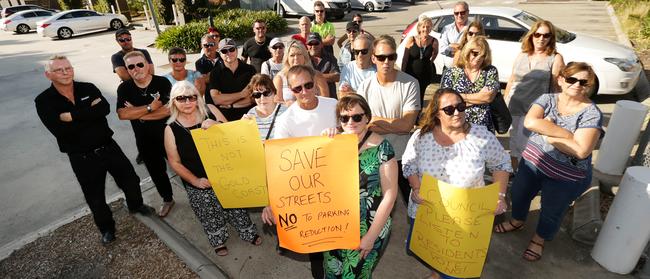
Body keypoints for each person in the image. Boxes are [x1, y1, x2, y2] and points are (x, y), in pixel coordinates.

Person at [35, 55, 154, 245]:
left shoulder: (88, 88)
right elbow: (59, 130)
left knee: (131, 180)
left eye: (68, 68)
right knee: (95, 197)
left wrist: (72, 116)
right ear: (48, 75)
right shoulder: (43, 101)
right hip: (82, 157)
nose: (65, 72)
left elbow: (104, 109)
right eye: (59, 70)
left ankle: (136, 205)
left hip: (108, 147)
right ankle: (107, 228)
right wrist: (90, 114)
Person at [495, 62, 602, 262]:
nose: (577, 85)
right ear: (561, 80)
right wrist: (569, 135)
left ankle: (539, 238)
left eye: (583, 82)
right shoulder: (546, 99)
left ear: (589, 85)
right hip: (532, 164)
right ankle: (517, 221)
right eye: (571, 79)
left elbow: (581, 151)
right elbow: (530, 122)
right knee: (518, 194)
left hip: (566, 176)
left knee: (552, 210)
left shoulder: (592, 113)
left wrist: (549, 135)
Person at [402, 88, 511, 279]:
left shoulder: (481, 136)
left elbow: (501, 163)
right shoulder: (421, 137)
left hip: (465, 218)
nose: (457, 112)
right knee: (431, 251)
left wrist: (500, 196)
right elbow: (409, 164)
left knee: (457, 268)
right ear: (436, 113)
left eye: (461, 106)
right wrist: (416, 187)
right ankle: (436, 273)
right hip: (427, 213)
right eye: (449, 109)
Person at [163, 81, 262, 257]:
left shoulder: (210, 110)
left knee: (237, 207)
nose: (187, 102)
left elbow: (233, 133)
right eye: (181, 98)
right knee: (209, 214)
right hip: (200, 182)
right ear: (173, 102)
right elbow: (175, 162)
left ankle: (247, 231)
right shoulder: (171, 129)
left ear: (197, 98)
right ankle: (218, 239)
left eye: (191, 97)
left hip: (226, 175)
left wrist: (216, 125)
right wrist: (195, 181)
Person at [264, 65, 338, 279]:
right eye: (297, 89)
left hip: (336, 186)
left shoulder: (333, 105)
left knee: (338, 237)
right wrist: (272, 201)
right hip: (307, 192)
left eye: (308, 85)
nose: (304, 92)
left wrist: (339, 133)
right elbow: (278, 164)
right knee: (316, 246)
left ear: (315, 82)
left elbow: (353, 134)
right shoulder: (285, 121)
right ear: (290, 90)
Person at [321, 94, 398, 279]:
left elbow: (390, 195)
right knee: (332, 271)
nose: (351, 122)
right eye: (344, 118)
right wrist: (323, 141)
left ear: (367, 117)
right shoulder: (332, 142)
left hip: (370, 223)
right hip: (335, 223)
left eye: (356, 117)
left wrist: (371, 236)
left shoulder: (382, 148)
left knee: (354, 275)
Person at [357, 35, 420, 205]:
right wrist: (395, 124)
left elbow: (407, 125)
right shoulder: (364, 87)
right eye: (381, 57)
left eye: (391, 56)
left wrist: (375, 121)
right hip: (372, 157)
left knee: (414, 204)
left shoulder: (410, 84)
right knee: (374, 207)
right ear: (373, 58)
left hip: (402, 157)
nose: (386, 61)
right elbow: (360, 126)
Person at [117, 51, 176, 218]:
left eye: (140, 64)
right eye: (131, 66)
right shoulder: (125, 88)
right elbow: (122, 114)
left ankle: (197, 195)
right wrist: (151, 107)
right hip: (144, 140)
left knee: (181, 164)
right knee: (157, 172)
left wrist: (139, 114)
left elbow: (169, 109)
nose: (136, 69)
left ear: (147, 65)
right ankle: (167, 199)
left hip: (168, 135)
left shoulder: (162, 82)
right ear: (127, 70)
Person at [504, 20, 565, 171]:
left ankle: (526, 175)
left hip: (534, 110)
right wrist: (505, 101)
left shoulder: (555, 58)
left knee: (526, 145)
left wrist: (557, 111)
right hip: (514, 106)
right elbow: (512, 79)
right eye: (537, 34)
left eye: (546, 35)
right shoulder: (522, 54)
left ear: (551, 38)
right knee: (513, 142)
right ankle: (514, 172)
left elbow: (557, 87)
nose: (541, 38)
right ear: (531, 36)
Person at [440, 36, 499, 132]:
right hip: (456, 127)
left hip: (483, 128)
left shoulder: (490, 71)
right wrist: (478, 97)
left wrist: (459, 98)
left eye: (482, 55)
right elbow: (444, 100)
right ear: (467, 52)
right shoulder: (452, 73)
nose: (478, 58)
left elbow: (488, 97)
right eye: (475, 53)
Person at [209, 38, 257, 121]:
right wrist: (242, 94)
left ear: (237, 50)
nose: (228, 53)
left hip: (249, 115)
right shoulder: (215, 73)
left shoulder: (250, 69)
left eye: (231, 49)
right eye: (224, 51)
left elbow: (253, 98)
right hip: (226, 118)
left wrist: (231, 104)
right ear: (220, 54)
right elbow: (216, 99)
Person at [273, 40, 330, 105]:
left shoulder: (316, 75)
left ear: (304, 57)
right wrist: (288, 104)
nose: (296, 58)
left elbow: (326, 100)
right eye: (292, 55)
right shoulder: (279, 78)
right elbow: (276, 103)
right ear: (287, 58)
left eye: (299, 54)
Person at [401, 14, 439, 108]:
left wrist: (431, 61)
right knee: (409, 94)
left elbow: (435, 53)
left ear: (431, 28)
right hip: (411, 73)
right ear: (419, 27)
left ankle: (417, 117)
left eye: (428, 26)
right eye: (423, 26)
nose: (425, 29)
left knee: (421, 95)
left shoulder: (434, 41)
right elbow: (405, 58)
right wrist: (402, 73)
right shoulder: (412, 39)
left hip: (425, 74)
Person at [242, 74, 287, 140]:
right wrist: (241, 127)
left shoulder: (285, 112)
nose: (262, 98)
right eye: (257, 95)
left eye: (266, 93)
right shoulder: (250, 115)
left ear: (274, 92)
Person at [308, 32, 340, 99]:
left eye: (316, 43)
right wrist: (327, 76)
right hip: (310, 99)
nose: (313, 46)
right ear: (307, 45)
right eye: (310, 43)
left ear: (322, 45)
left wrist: (312, 77)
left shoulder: (330, 57)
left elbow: (337, 76)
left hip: (330, 98)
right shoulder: (303, 58)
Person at [439, 1, 470, 69]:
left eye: (462, 12)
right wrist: (458, 49)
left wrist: (451, 46)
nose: (459, 15)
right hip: (448, 69)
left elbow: (474, 48)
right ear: (454, 14)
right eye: (456, 13)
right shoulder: (447, 28)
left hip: (466, 70)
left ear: (468, 12)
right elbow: (442, 48)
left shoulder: (472, 28)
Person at [195, 34, 223, 105]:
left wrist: (209, 75)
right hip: (211, 100)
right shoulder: (199, 63)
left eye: (211, 44)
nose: (209, 47)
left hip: (227, 94)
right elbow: (205, 80)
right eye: (206, 45)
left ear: (215, 45)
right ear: (202, 46)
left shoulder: (224, 57)